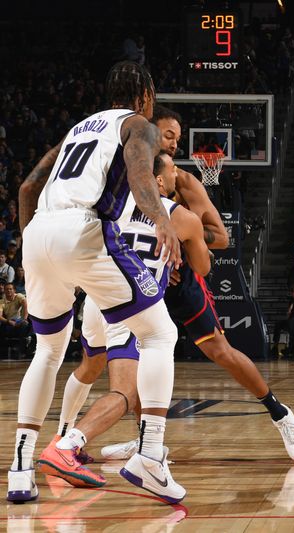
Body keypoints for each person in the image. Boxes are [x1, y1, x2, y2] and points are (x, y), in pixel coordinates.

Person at [52, 109, 294, 468]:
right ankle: (135, 441)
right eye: (169, 135)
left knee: (220, 351)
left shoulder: (183, 181)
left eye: (176, 136)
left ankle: (280, 414)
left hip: (178, 276)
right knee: (106, 362)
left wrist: (180, 243)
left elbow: (219, 238)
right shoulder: (116, 176)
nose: (174, 142)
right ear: (145, 135)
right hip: (130, 278)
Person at [7, 61, 183, 504]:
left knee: (47, 352)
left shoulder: (78, 129)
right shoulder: (138, 125)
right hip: (83, 228)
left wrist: (33, 244)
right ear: (144, 94)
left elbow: (28, 187)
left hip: (39, 231)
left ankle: (20, 470)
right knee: (160, 333)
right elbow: (142, 171)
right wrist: (161, 218)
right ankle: (150, 456)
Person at [37, 152, 210, 500]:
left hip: (96, 298)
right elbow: (203, 268)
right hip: (132, 303)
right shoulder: (184, 217)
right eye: (174, 170)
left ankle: (77, 436)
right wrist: (198, 222)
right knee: (127, 391)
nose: (179, 175)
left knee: (90, 367)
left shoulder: (112, 205)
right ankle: (69, 445)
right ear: (158, 181)